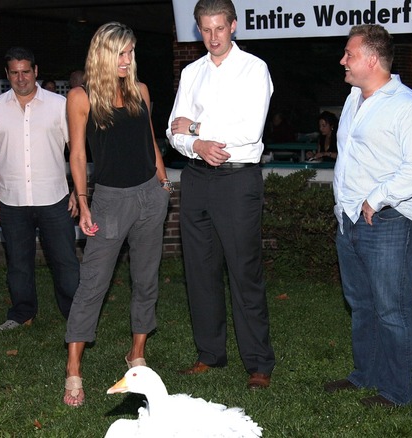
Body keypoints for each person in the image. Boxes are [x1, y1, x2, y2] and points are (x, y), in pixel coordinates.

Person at [323, 25, 412, 407]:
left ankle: (398, 391)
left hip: (390, 221)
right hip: (350, 219)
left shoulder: (408, 106)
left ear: (371, 60)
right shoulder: (355, 99)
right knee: (362, 305)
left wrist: (377, 199)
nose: (343, 60)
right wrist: (345, 206)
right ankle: (365, 375)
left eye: (349, 54)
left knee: (392, 308)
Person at [167, 0, 275, 390]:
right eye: (205, 29)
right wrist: (196, 145)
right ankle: (210, 354)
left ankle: (259, 363)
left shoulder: (254, 69)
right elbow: (171, 131)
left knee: (244, 272)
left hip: (237, 180)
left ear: (233, 26)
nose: (213, 37)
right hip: (196, 178)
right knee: (199, 272)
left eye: (219, 28)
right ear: (199, 30)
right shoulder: (192, 72)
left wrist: (196, 127)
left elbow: (249, 128)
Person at [62, 22, 172, 407]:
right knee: (93, 283)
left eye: (131, 53)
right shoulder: (82, 96)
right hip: (108, 200)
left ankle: (136, 352)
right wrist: (83, 199)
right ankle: (73, 369)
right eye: (121, 53)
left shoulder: (140, 90)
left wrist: (163, 183)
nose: (128, 60)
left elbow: (150, 140)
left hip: (148, 196)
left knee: (146, 279)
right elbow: (77, 153)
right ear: (103, 54)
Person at [0, 47, 79, 331]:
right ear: (7, 74)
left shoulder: (60, 104)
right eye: (14, 72)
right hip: (11, 199)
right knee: (18, 263)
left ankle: (75, 315)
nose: (21, 78)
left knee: (66, 262)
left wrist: (76, 190)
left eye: (26, 71)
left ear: (36, 71)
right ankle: (22, 314)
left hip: (55, 198)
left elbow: (76, 150)